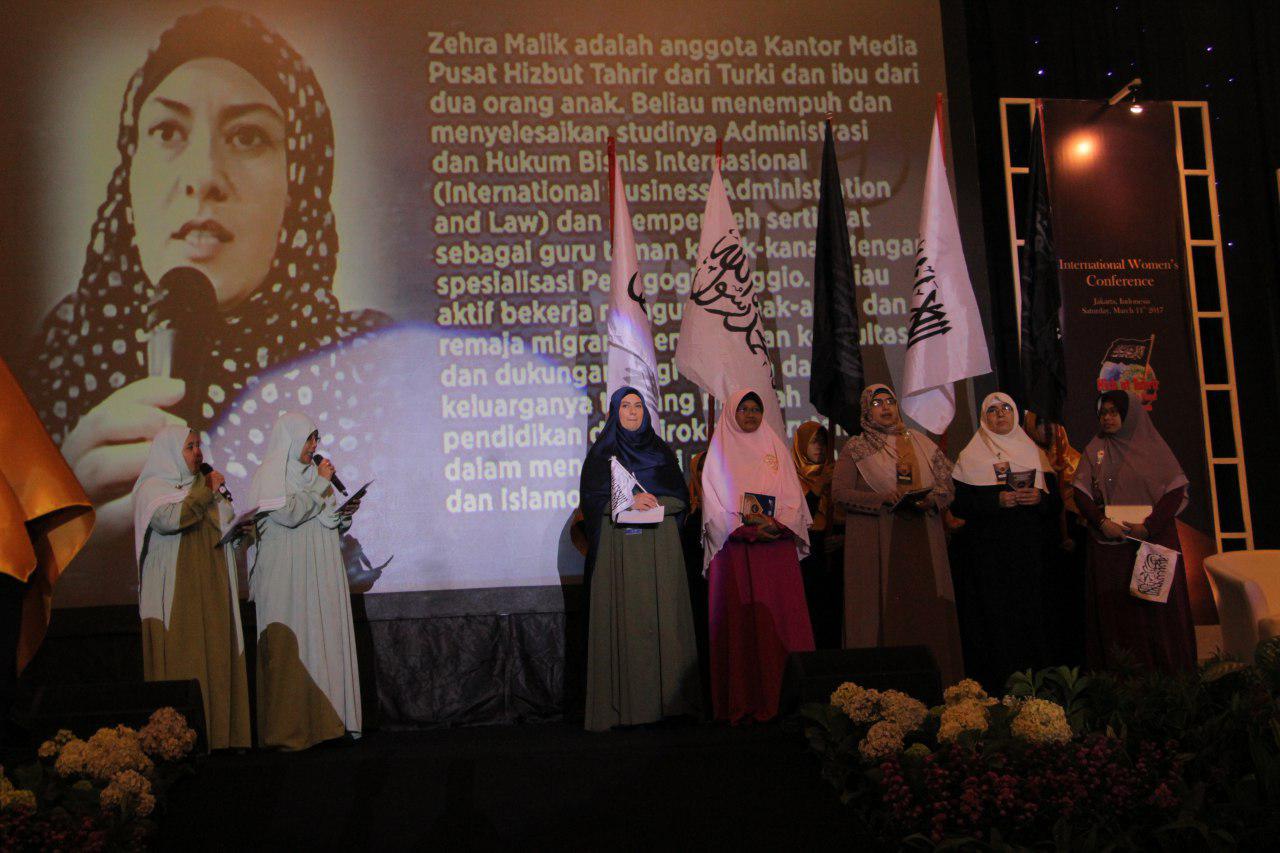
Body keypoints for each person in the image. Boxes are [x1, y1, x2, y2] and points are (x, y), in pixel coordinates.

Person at [21, 7, 388, 604]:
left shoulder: (373, 363)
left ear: (297, 183)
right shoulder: (58, 358)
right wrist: (67, 540)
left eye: (248, 137)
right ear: (129, 172)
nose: (203, 176)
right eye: (168, 132)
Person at [578, 387, 700, 731]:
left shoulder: (660, 450)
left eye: (638, 406)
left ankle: (670, 704)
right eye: (625, 406)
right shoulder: (601, 454)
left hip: (660, 550)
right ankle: (626, 708)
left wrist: (656, 500)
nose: (632, 412)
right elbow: (592, 501)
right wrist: (627, 502)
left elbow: (680, 496)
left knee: (664, 623)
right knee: (628, 624)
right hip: (620, 552)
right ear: (613, 412)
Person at [831, 384, 963, 684]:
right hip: (879, 541)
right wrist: (880, 499)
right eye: (877, 403)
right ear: (866, 410)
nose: (885, 407)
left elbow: (947, 486)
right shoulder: (857, 447)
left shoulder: (920, 442)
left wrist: (932, 500)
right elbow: (839, 493)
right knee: (882, 612)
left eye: (889, 401)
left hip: (921, 539)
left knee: (923, 610)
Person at [247, 412, 361, 749]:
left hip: (318, 572)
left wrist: (342, 515)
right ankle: (289, 730)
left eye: (316, 439)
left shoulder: (314, 475)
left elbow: (325, 517)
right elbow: (288, 514)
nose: (314, 446)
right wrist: (320, 484)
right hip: (286, 577)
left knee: (321, 641)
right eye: (309, 438)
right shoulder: (269, 475)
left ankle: (326, 724)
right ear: (291, 439)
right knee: (289, 650)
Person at [132, 424, 249, 749]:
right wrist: (207, 490)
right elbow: (172, 520)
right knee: (187, 658)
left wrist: (240, 528)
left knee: (215, 654)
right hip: (179, 592)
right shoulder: (153, 489)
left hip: (211, 587)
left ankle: (221, 735)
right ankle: (182, 741)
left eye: (198, 445)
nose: (198, 453)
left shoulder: (202, 486)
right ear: (170, 452)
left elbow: (223, 520)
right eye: (190, 447)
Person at [702, 390, 814, 723]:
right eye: (744, 409)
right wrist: (746, 529)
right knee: (744, 632)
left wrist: (775, 524)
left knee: (780, 626)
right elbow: (714, 511)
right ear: (731, 413)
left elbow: (794, 500)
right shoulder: (719, 454)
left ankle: (789, 701)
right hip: (737, 554)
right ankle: (746, 701)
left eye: (756, 409)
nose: (750, 415)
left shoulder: (775, 447)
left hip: (775, 553)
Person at [1073, 390, 1196, 673]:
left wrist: (1148, 527)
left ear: (1130, 415)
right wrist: (1102, 522)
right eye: (1103, 413)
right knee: (1118, 613)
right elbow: (1081, 493)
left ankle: (1166, 680)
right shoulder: (1095, 449)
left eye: (1114, 412)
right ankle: (1122, 682)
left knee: (1156, 612)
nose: (1107, 418)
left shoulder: (1154, 448)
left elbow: (1174, 492)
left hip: (1152, 542)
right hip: (1112, 547)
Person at [949, 393, 1055, 691]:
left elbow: (1055, 504)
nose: (1000, 414)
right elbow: (959, 504)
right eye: (993, 410)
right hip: (988, 557)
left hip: (1027, 553)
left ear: (1015, 414)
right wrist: (995, 502)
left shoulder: (1034, 453)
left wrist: (1039, 498)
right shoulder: (970, 456)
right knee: (994, 622)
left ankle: (1035, 691)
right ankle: (997, 689)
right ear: (984, 418)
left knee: (1029, 619)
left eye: (1006, 408)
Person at [1024, 409, 1087, 668]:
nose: (1047, 429)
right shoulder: (1023, 457)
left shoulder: (1076, 460)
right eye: (1040, 423)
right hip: (1042, 540)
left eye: (1051, 423)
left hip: (1073, 539)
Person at [791, 422, 841, 649]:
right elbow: (799, 520)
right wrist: (818, 486)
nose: (820, 447)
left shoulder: (837, 474)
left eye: (823, 442)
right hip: (806, 555)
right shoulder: (791, 478)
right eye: (813, 442)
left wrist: (841, 538)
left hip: (832, 553)